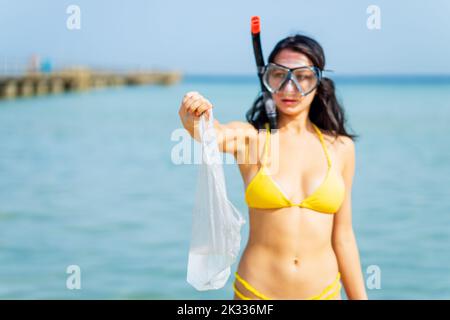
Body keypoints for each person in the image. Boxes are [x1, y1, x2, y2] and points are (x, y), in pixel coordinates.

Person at [179, 34, 368, 300]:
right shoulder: (251, 139)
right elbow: (214, 134)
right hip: (256, 295)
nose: (289, 88)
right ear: (267, 79)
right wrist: (195, 120)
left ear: (318, 81)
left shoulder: (342, 148)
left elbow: (344, 237)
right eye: (279, 75)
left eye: (302, 76)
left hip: (324, 294)